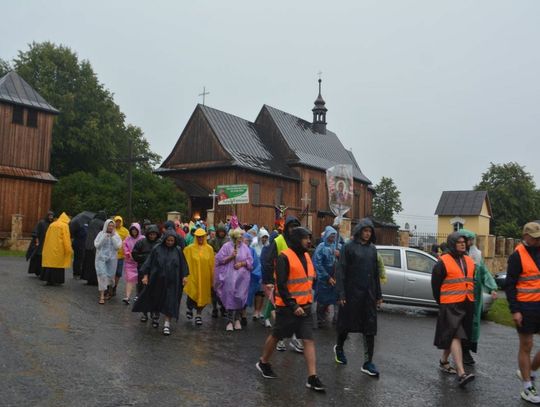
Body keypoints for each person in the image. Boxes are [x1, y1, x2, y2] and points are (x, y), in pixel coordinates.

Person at [256, 227, 325, 392]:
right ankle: (263, 362)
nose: (309, 241)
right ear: (296, 239)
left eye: (309, 238)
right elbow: (281, 285)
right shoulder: (284, 257)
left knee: (308, 340)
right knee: (277, 335)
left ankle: (312, 377)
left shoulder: (308, 256)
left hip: (306, 308)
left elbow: (308, 281)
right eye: (305, 238)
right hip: (288, 308)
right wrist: (293, 305)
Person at [334, 218, 381, 377]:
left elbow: (375, 274)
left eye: (370, 231)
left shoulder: (373, 249)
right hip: (351, 293)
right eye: (365, 231)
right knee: (346, 325)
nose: (367, 234)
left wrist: (378, 295)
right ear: (359, 230)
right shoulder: (348, 247)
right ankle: (339, 348)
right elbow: (341, 271)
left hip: (368, 295)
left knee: (370, 328)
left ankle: (368, 362)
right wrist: (341, 293)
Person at [431, 231, 476, 388]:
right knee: (456, 335)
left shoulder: (470, 261)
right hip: (450, 304)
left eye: (464, 242)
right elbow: (435, 285)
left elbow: (471, 281)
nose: (463, 244)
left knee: (453, 335)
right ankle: (461, 373)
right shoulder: (442, 262)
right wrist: (442, 302)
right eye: (459, 242)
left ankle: (444, 361)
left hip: (466, 303)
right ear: (452, 244)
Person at [505, 222, 540, 403]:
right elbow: (510, 286)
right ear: (525, 235)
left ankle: (530, 372)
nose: (537, 239)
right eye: (534, 236)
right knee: (526, 345)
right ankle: (527, 387)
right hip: (526, 308)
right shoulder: (517, 256)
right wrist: (515, 310)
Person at [132, 230, 189, 335]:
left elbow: (183, 265)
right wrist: (145, 275)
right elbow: (149, 262)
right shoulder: (157, 249)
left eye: (172, 241)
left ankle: (167, 323)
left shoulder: (178, 250)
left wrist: (184, 276)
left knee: (170, 301)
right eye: (168, 240)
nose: (170, 242)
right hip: (157, 280)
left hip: (173, 281)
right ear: (164, 239)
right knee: (157, 298)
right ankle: (156, 316)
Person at [262, 215, 304, 353]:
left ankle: (294, 338)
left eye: (296, 227)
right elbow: (269, 261)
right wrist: (268, 280)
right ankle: (280, 339)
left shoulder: (299, 242)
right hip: (280, 282)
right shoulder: (278, 240)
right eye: (291, 227)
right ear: (286, 228)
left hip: (295, 284)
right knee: (281, 311)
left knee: (295, 311)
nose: (293, 230)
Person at [460, 229, 498, 365]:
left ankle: (466, 351)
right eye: (469, 240)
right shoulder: (457, 256)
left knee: (473, 324)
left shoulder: (476, 256)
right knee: (461, 324)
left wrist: (492, 287)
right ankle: (460, 353)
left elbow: (484, 273)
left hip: (474, 297)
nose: (471, 243)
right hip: (460, 297)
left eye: (471, 240)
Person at [214, 227, 253, 331]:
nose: (241, 238)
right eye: (238, 236)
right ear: (233, 237)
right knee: (230, 296)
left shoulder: (245, 248)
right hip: (229, 276)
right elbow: (219, 260)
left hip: (242, 278)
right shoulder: (226, 246)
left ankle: (237, 319)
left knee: (240, 297)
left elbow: (250, 261)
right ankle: (229, 321)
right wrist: (231, 257)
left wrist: (242, 263)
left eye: (241, 236)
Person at [183, 228, 215, 325]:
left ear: (205, 237)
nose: (200, 238)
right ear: (195, 237)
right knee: (192, 293)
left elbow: (212, 264)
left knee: (203, 295)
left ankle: (198, 314)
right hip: (193, 276)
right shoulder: (190, 248)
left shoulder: (209, 249)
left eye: (202, 237)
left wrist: (213, 278)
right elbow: (184, 260)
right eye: (198, 237)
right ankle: (189, 308)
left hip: (205, 277)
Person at [131, 224, 160, 322]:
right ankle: (144, 312)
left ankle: (153, 311)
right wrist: (143, 259)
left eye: (154, 234)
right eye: (151, 234)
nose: (152, 236)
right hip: (143, 270)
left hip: (155, 271)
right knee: (143, 292)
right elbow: (134, 253)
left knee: (154, 292)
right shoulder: (141, 242)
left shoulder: (159, 243)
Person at [313, 226, 340, 328]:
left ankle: (336, 319)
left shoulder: (336, 246)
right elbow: (318, 264)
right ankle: (320, 319)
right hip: (324, 279)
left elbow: (341, 261)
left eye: (334, 235)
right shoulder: (321, 247)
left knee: (335, 299)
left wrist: (339, 255)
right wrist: (327, 277)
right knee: (322, 300)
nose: (333, 237)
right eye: (331, 235)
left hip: (334, 277)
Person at [94, 219, 123, 304]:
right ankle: (102, 296)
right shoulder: (101, 234)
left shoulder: (116, 235)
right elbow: (97, 245)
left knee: (110, 276)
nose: (110, 227)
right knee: (102, 275)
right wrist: (104, 237)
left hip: (112, 259)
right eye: (109, 225)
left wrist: (113, 237)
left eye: (112, 226)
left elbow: (118, 247)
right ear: (106, 226)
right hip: (101, 259)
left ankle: (110, 290)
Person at [40, 212, 72, 286]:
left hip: (49, 248)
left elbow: (47, 237)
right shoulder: (64, 226)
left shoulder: (52, 224)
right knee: (58, 265)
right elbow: (66, 239)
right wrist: (69, 249)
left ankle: (48, 279)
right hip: (59, 249)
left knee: (50, 264)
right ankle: (56, 280)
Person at [208, 222, 229, 317]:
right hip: (215, 266)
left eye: (222, 231)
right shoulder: (213, 241)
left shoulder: (228, 240)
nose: (221, 233)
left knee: (224, 288)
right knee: (214, 289)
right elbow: (208, 250)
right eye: (219, 231)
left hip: (225, 266)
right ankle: (214, 308)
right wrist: (214, 253)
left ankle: (223, 307)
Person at [81, 211, 107, 285]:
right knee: (96, 264)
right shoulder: (102, 223)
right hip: (96, 245)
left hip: (88, 244)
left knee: (88, 263)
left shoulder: (91, 221)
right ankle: (95, 280)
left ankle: (88, 279)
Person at [26, 211, 54, 277]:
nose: (51, 217)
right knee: (38, 257)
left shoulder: (52, 224)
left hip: (48, 244)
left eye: (52, 216)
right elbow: (36, 233)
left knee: (44, 258)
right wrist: (37, 241)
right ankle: (37, 271)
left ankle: (42, 272)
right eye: (50, 216)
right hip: (40, 243)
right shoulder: (41, 223)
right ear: (47, 216)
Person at [121, 223, 144, 305]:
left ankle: (138, 295)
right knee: (129, 280)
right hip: (130, 262)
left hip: (140, 262)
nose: (134, 232)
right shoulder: (127, 239)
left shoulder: (143, 239)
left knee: (140, 280)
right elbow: (124, 247)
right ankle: (127, 297)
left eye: (135, 230)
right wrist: (128, 253)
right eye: (132, 230)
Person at [251, 228, 270, 320]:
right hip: (256, 272)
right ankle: (256, 310)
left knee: (262, 293)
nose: (264, 239)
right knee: (257, 292)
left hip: (265, 272)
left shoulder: (268, 247)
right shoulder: (254, 246)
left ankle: (260, 310)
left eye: (266, 237)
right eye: (263, 237)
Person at [244, 232, 262, 325]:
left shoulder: (252, 251)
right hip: (240, 278)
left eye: (248, 240)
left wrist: (255, 274)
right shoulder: (238, 250)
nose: (246, 242)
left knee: (247, 296)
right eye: (245, 240)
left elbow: (256, 264)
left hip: (249, 277)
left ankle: (243, 315)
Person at [113, 215, 129, 296]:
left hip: (121, 256)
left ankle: (115, 286)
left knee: (118, 272)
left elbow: (128, 242)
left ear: (121, 222)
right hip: (112, 255)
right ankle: (109, 287)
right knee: (111, 272)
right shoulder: (111, 229)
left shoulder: (125, 231)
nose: (118, 223)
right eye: (116, 221)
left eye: (119, 221)